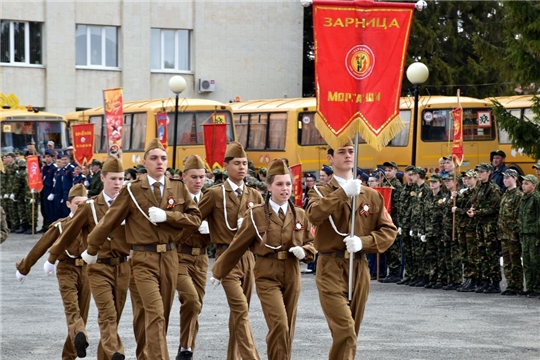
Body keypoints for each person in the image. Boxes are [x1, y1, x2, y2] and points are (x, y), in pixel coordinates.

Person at [84, 140, 201, 360]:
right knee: (155, 312)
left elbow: (195, 219)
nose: (159, 162)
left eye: (163, 158)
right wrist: (92, 249)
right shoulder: (134, 190)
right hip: (142, 258)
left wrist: (169, 216)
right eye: (154, 158)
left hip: (169, 257)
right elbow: (108, 222)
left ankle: (148, 355)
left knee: (161, 316)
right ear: (144, 162)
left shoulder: (178, 187)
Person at [212, 159, 315, 360]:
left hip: (292, 272)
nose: (285, 189)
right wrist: (219, 271)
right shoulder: (257, 214)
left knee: (288, 328)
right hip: (267, 272)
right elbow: (237, 246)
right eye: (279, 184)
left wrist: (305, 251)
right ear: (269, 186)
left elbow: (312, 244)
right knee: (279, 323)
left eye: (287, 184)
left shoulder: (300, 214)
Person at [306, 141, 396, 359]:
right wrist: (343, 193)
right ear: (330, 158)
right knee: (345, 330)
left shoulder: (371, 195)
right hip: (331, 266)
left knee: (351, 332)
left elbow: (389, 231)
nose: (347, 155)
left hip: (358, 266)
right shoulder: (320, 190)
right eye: (341, 151)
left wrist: (364, 242)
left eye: (351, 151)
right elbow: (314, 215)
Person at [49, 157, 130, 360]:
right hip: (93, 267)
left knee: (111, 317)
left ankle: (90, 348)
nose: (118, 183)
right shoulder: (91, 207)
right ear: (102, 178)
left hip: (122, 267)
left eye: (121, 178)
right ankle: (111, 352)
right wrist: (50, 259)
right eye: (113, 178)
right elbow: (66, 235)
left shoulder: (130, 204)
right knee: (92, 312)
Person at [198, 141, 264, 360]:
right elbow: (194, 219)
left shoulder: (255, 195)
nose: (242, 168)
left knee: (238, 313)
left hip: (248, 257)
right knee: (242, 310)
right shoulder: (215, 194)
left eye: (244, 163)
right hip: (226, 257)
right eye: (237, 163)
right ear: (226, 166)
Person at [16, 184, 91, 359]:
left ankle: (70, 353)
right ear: (68, 204)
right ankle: (79, 337)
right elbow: (40, 247)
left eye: (84, 203)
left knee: (82, 315)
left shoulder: (92, 224)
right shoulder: (60, 226)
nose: (81, 207)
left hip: (88, 270)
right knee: (72, 310)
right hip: (67, 269)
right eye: (77, 203)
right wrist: (24, 268)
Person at [174, 155, 211, 360]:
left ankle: (186, 348)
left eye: (202, 177)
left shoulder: (208, 199)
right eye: (194, 177)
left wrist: (211, 230)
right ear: (184, 177)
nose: (198, 181)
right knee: (191, 300)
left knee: (196, 305)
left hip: (202, 258)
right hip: (180, 256)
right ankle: (185, 349)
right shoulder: (175, 198)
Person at [468, 163, 502, 294]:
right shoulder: (479, 187)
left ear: (489, 172)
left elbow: (495, 208)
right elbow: (475, 201)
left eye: (482, 171)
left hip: (489, 225)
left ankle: (495, 282)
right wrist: (473, 209)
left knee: (491, 253)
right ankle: (486, 280)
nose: (479, 174)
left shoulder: (493, 189)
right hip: (480, 224)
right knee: (481, 253)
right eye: (478, 171)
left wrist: (478, 212)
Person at [497, 169, 524, 296]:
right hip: (504, 233)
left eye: (508, 178)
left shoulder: (518, 195)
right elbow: (501, 214)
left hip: (512, 233)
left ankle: (517, 285)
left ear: (514, 178)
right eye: (504, 178)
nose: (505, 180)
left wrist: (515, 233)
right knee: (507, 261)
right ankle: (510, 284)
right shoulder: (505, 194)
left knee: (515, 260)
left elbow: (519, 217)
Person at [516, 174, 540, 297]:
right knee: (527, 262)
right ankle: (530, 287)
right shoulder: (524, 198)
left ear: (534, 185)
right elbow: (520, 217)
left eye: (527, 184)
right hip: (525, 234)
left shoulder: (536, 198)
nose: (523, 186)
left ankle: (538, 288)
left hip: (534, 235)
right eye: (523, 183)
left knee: (536, 262)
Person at [380, 161, 403, 283]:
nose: (387, 173)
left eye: (390, 170)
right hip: (386, 219)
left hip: (394, 219)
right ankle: (390, 271)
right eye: (386, 170)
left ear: (395, 171)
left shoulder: (396, 186)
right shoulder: (384, 184)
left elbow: (398, 206)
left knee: (394, 247)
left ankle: (396, 272)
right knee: (388, 246)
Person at [396, 165, 418, 285]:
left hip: (413, 224)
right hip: (404, 224)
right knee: (407, 251)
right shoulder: (404, 189)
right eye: (408, 174)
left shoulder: (418, 189)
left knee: (415, 252)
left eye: (412, 175)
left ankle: (416, 275)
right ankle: (409, 274)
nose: (410, 177)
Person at [41, 149, 57, 231]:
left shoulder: (54, 168)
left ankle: (52, 226)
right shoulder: (45, 168)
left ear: (52, 158)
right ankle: (46, 225)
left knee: (51, 209)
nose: (47, 159)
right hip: (44, 189)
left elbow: (54, 181)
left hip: (50, 190)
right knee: (45, 209)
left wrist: (52, 192)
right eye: (45, 157)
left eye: (48, 157)